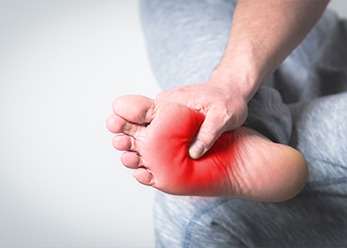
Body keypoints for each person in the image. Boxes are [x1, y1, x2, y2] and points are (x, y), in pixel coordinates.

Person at [107, 0, 347, 246]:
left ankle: (231, 130)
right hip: (323, 42)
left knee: (187, 212)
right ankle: (236, 122)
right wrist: (230, 83)